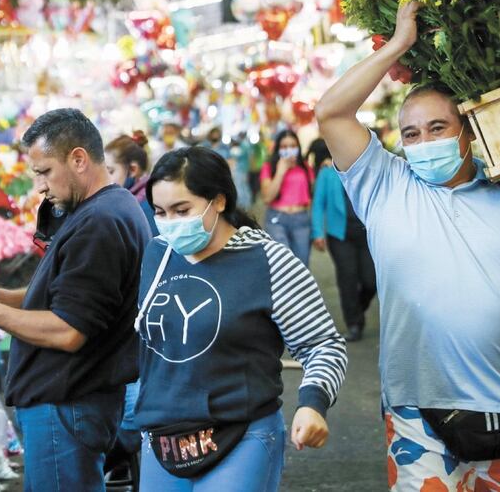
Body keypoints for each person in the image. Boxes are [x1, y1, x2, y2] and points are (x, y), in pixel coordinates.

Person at [315, 1, 500, 490]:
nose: (423, 142)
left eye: (438, 128)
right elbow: (330, 111)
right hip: (418, 417)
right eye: (410, 134)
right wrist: (398, 45)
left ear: (467, 132)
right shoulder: (385, 184)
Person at [0, 109, 152, 492]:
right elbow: (65, 294)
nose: (40, 185)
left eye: (44, 172)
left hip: (66, 404)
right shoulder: (107, 207)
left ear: (78, 159)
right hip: (70, 402)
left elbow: (69, 330)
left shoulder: (99, 222)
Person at [135, 146, 347, 491]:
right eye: (160, 212)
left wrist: (313, 403)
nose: (170, 224)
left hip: (241, 437)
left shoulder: (268, 260)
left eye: (182, 209)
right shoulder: (156, 254)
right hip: (162, 440)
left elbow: (322, 344)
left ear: (218, 201)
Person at [310, 138, 376, 342]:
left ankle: (357, 308)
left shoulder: (365, 169)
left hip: (366, 232)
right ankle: (354, 323)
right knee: (347, 278)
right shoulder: (327, 172)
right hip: (339, 235)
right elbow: (318, 204)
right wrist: (317, 233)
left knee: (371, 281)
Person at [260, 129, 315, 263]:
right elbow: (267, 197)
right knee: (282, 264)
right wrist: (280, 171)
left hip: (301, 220)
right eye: (284, 146)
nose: (289, 149)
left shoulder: (305, 167)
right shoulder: (269, 167)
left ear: (298, 147)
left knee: (302, 264)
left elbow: (312, 194)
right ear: (278, 148)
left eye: (292, 146)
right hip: (277, 220)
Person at [105, 131, 158, 235]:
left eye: (110, 171)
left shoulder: (146, 208)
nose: (105, 178)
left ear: (133, 170)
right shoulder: (129, 201)